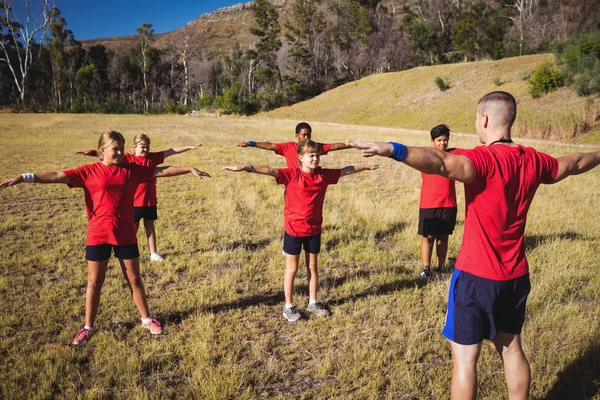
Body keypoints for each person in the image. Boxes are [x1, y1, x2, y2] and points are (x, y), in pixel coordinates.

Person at [347, 91, 600, 399]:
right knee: (511, 348)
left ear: (484, 119)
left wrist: (391, 149)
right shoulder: (534, 159)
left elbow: (441, 162)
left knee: (466, 360)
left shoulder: (484, 158)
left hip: (475, 278)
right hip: (516, 276)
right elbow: (574, 162)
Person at [1, 130, 211, 346]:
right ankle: (87, 327)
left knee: (135, 279)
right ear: (102, 151)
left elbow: (160, 171)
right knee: (94, 282)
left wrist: (188, 169)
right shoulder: (88, 171)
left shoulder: (130, 171)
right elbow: (56, 175)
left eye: (122, 148)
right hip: (98, 234)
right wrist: (25, 177)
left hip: (125, 233)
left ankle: (146, 320)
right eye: (115, 149)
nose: (120, 153)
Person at [224, 140, 379, 322]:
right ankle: (288, 306)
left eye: (317, 155)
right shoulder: (292, 174)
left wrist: (366, 167)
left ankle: (313, 302)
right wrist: (247, 167)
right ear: (301, 158)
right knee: (292, 269)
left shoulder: (323, 175)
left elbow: (346, 170)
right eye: (311, 156)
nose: (315, 159)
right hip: (294, 230)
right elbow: (269, 170)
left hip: (314, 230)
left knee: (313, 267)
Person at [77, 134, 202, 262]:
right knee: (132, 228)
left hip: (149, 201)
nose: (145, 150)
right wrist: (92, 152)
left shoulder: (152, 158)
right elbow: (108, 154)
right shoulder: (127, 159)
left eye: (147, 147)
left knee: (150, 226)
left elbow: (170, 151)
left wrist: (189, 147)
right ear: (134, 147)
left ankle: (153, 253)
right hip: (133, 203)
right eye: (142, 147)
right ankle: (124, 251)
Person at [418, 124, 467, 280]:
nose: (442, 143)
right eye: (439, 140)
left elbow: (474, 154)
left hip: (448, 204)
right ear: (432, 141)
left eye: (445, 140)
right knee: (428, 237)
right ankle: (426, 269)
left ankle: (439, 269)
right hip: (428, 204)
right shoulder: (426, 154)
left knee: (443, 237)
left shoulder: (453, 154)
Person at [236, 122, 351, 168]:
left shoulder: (315, 146)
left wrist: (352, 145)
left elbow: (335, 146)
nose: (307, 138)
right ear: (297, 135)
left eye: (309, 135)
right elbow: (269, 145)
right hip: (292, 183)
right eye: (304, 135)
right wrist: (251, 143)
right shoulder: (288, 147)